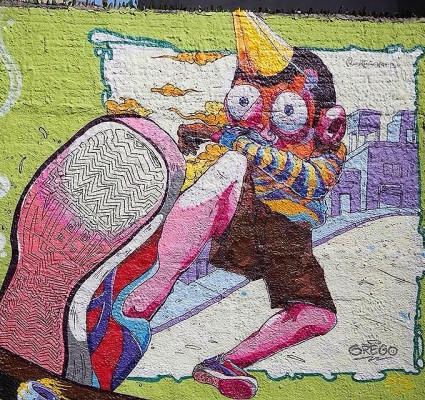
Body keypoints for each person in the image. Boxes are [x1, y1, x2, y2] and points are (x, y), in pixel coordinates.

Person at [121, 10, 347, 399]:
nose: (262, 123)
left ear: (327, 122)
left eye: (286, 111)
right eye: (246, 101)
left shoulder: (329, 149)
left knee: (318, 315)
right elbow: (222, 139)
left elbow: (310, 180)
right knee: (227, 171)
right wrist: (202, 135)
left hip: (285, 234)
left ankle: (226, 363)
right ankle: (141, 299)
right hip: (242, 222)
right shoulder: (241, 144)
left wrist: (241, 143)